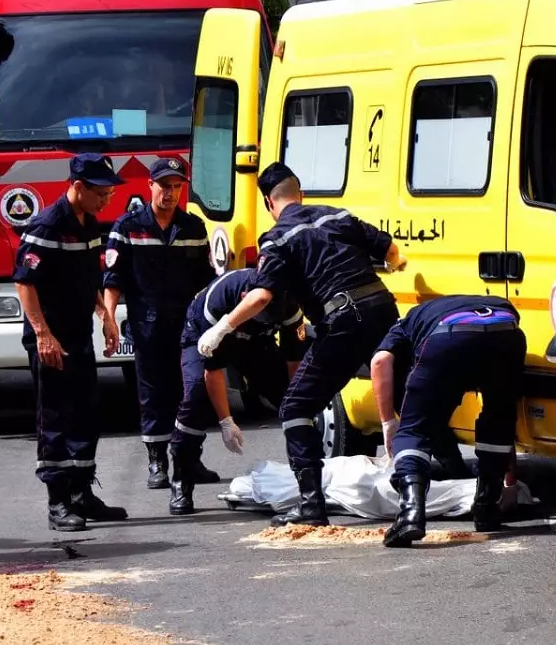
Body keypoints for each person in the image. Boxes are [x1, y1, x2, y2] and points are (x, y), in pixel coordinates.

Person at [196, 162, 406, 527]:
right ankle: (443, 468)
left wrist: (222, 328)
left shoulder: (277, 238)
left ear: (267, 202)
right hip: (383, 309)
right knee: (404, 390)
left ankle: (311, 505)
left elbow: (261, 296)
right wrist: (396, 265)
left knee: (295, 407)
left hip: (344, 320)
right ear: (301, 193)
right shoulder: (337, 215)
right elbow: (392, 252)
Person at [14, 152, 128, 532]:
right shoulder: (47, 226)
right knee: (55, 417)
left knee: (85, 414)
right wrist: (43, 334)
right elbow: (24, 282)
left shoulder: (90, 225)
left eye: (109, 193)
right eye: (100, 193)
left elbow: (88, 279)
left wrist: (105, 316)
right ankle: (58, 501)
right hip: (51, 338)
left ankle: (82, 494)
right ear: (77, 187)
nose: (105, 200)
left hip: (79, 333)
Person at [369, 295, 526, 547]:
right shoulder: (495, 303)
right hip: (506, 331)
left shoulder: (407, 321)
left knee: (414, 430)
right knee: (498, 418)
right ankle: (487, 507)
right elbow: (505, 418)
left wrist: (388, 422)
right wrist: (510, 484)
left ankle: (410, 515)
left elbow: (380, 361)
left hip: (447, 338)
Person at [103, 157, 218, 490]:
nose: (170, 193)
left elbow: (207, 281)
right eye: (164, 186)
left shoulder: (193, 228)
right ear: (149, 185)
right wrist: (109, 318)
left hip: (187, 328)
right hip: (148, 326)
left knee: (191, 392)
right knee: (154, 394)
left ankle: (189, 459)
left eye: (176, 187)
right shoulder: (127, 228)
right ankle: (157, 463)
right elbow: (113, 280)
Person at [171, 267, 311, 515]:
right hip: (207, 335)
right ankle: (182, 477)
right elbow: (212, 373)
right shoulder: (219, 299)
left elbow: (294, 363)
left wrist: (294, 405)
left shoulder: (290, 305)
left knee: (293, 399)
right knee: (196, 396)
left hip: (255, 343)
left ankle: (307, 481)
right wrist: (226, 421)